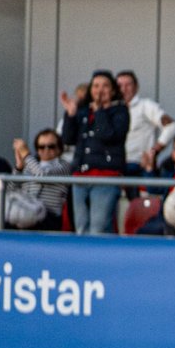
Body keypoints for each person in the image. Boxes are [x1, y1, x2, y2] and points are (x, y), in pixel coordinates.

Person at [58, 70, 129, 234]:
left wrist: (99, 111)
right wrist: (70, 114)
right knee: (81, 227)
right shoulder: (83, 110)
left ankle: (102, 259)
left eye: (105, 86)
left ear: (112, 91)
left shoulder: (120, 111)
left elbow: (107, 135)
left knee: (99, 227)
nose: (100, 90)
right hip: (81, 175)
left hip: (105, 176)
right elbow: (68, 139)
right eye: (96, 86)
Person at [0, 130, 70, 230]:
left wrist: (25, 155)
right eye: (41, 147)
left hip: (46, 215)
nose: (46, 150)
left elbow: (42, 176)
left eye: (51, 146)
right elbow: (10, 189)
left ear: (59, 149)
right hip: (24, 210)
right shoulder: (31, 165)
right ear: (37, 150)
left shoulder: (63, 165)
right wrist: (19, 167)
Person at [117, 71, 175, 194]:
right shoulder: (110, 109)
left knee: (138, 209)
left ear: (136, 87)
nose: (123, 89)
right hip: (114, 169)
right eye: (119, 85)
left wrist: (154, 151)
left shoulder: (145, 106)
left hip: (138, 167)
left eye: (128, 85)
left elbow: (171, 126)